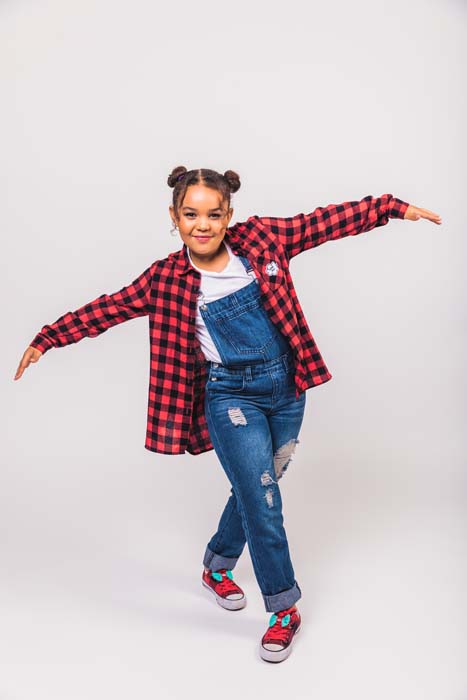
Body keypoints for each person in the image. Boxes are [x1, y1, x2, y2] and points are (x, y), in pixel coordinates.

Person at [14, 166, 442, 663]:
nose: (203, 225)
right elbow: (106, 309)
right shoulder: (165, 279)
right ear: (174, 217)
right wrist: (47, 338)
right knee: (263, 498)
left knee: (260, 484)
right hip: (230, 396)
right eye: (190, 215)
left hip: (288, 387)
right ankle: (284, 608)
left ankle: (217, 564)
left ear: (228, 216)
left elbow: (325, 222)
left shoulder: (262, 240)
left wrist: (390, 208)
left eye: (213, 215)